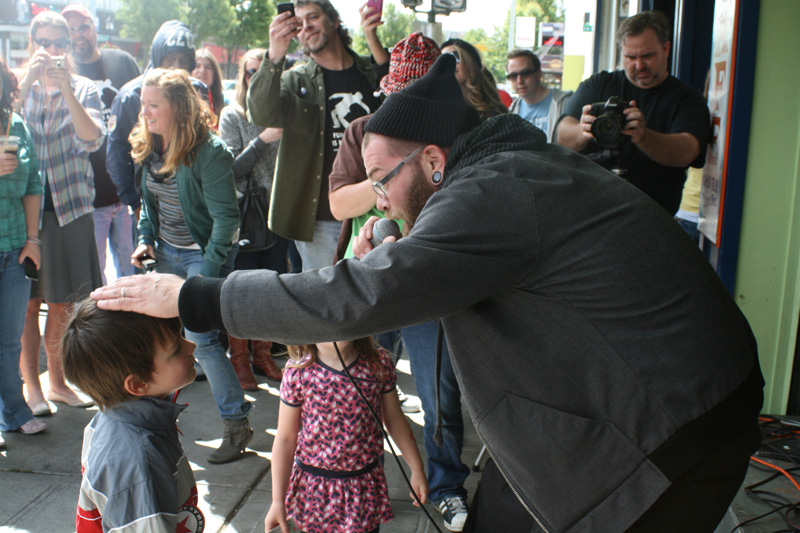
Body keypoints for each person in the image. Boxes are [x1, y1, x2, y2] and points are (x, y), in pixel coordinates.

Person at [92, 53, 763, 532]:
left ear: (436, 162)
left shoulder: (490, 194)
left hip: (677, 424)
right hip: (667, 393)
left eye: (383, 179)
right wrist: (402, 236)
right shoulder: (505, 164)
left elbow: (347, 299)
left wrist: (194, 297)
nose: (378, 201)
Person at [328, 32, 470, 532]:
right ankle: (357, 475)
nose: (400, 105)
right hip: (369, 281)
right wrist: (387, 173)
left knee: (439, 395)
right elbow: (339, 203)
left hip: (428, 286)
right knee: (356, 385)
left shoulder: (455, 142)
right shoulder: (363, 129)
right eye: (395, 96)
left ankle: (446, 484)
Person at [130, 68, 252, 464]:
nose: (144, 112)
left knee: (202, 340)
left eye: (153, 105)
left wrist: (207, 276)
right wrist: (145, 239)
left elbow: (226, 222)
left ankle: (237, 423)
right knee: (161, 337)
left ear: (178, 109)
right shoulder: (150, 145)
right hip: (165, 252)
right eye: (143, 104)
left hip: (202, 254)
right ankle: (158, 422)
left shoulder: (210, 152)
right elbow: (149, 206)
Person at [247, 0, 387, 270]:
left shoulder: (370, 73)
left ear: (334, 21)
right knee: (330, 304)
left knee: (377, 296)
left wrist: (373, 39)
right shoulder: (295, 80)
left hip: (375, 207)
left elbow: (402, 98)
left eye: (313, 17)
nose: (306, 26)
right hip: (322, 220)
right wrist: (275, 54)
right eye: (299, 23)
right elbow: (261, 114)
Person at [18, 10, 105, 415]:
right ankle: (30, 386)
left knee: (64, 303)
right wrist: (24, 83)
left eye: (60, 43)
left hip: (69, 208)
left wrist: (66, 89)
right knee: (25, 302)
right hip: (21, 211)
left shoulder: (84, 86)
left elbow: (92, 139)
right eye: (45, 42)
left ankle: (58, 381)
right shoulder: (19, 87)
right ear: (33, 43)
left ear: (69, 46)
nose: (52, 51)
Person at [61, 299, 205, 532]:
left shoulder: (114, 413)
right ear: (138, 383)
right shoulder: (139, 466)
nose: (191, 346)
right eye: (177, 348)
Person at [264, 337, 428, 533]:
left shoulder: (378, 364)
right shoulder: (298, 372)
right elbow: (285, 438)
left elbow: (394, 419)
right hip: (315, 491)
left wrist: (416, 468)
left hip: (363, 488)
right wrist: (277, 500)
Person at [556, 10, 711, 215]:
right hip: (591, 214)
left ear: (666, 49)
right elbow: (561, 136)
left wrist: (643, 136)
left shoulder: (687, 99)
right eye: (630, 57)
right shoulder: (599, 84)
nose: (639, 65)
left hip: (653, 218)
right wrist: (583, 130)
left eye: (647, 56)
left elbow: (687, 151)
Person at [219, 48, 286, 387]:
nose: (254, 80)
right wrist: (263, 139)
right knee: (243, 289)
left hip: (281, 213)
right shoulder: (233, 114)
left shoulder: (285, 112)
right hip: (248, 214)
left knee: (272, 288)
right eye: (249, 73)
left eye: (262, 74)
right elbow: (228, 169)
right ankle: (240, 358)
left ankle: (263, 354)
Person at [60, 4, 140, 284]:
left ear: (95, 28)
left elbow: (144, 115)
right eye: (70, 30)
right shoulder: (63, 74)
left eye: (83, 27)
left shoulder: (122, 61)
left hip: (127, 194)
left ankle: (134, 328)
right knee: (95, 280)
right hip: (88, 199)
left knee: (134, 274)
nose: (78, 35)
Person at [107, 20, 207, 221]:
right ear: (157, 57)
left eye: (183, 61)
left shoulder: (197, 92)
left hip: (192, 210)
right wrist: (136, 204)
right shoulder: (131, 96)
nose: (176, 67)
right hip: (150, 210)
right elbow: (116, 157)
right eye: (170, 58)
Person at [0, 56, 47, 441]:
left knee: (9, 338)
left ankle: (13, 412)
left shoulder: (18, 127)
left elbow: (33, 185)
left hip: (14, 250)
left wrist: (33, 241)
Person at [505, 49, 571, 142]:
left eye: (526, 73)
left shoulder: (564, 103)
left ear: (539, 74)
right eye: (513, 76)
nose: (520, 81)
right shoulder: (512, 111)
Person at [440, 38, 507, 120]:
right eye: (442, 60)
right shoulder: (438, 110)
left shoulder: (494, 115)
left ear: (471, 64)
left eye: (455, 57)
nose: (448, 64)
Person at [193, 48, 224, 124]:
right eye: (197, 66)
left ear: (214, 75)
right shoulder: (181, 102)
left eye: (208, 67)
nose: (202, 71)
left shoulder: (224, 102)